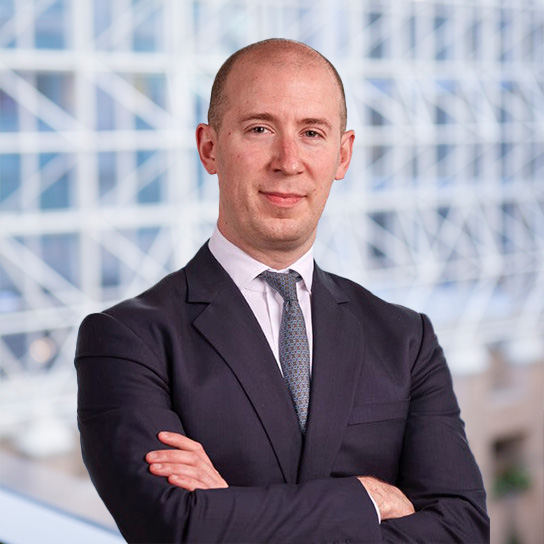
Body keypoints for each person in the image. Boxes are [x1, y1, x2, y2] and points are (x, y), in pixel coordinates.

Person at [76, 38, 489, 543]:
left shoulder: (405, 338)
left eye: (312, 133)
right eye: (260, 129)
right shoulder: (126, 339)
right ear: (209, 147)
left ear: (342, 155)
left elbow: (462, 530)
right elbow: (178, 527)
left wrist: (230, 510)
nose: (288, 161)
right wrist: (367, 498)